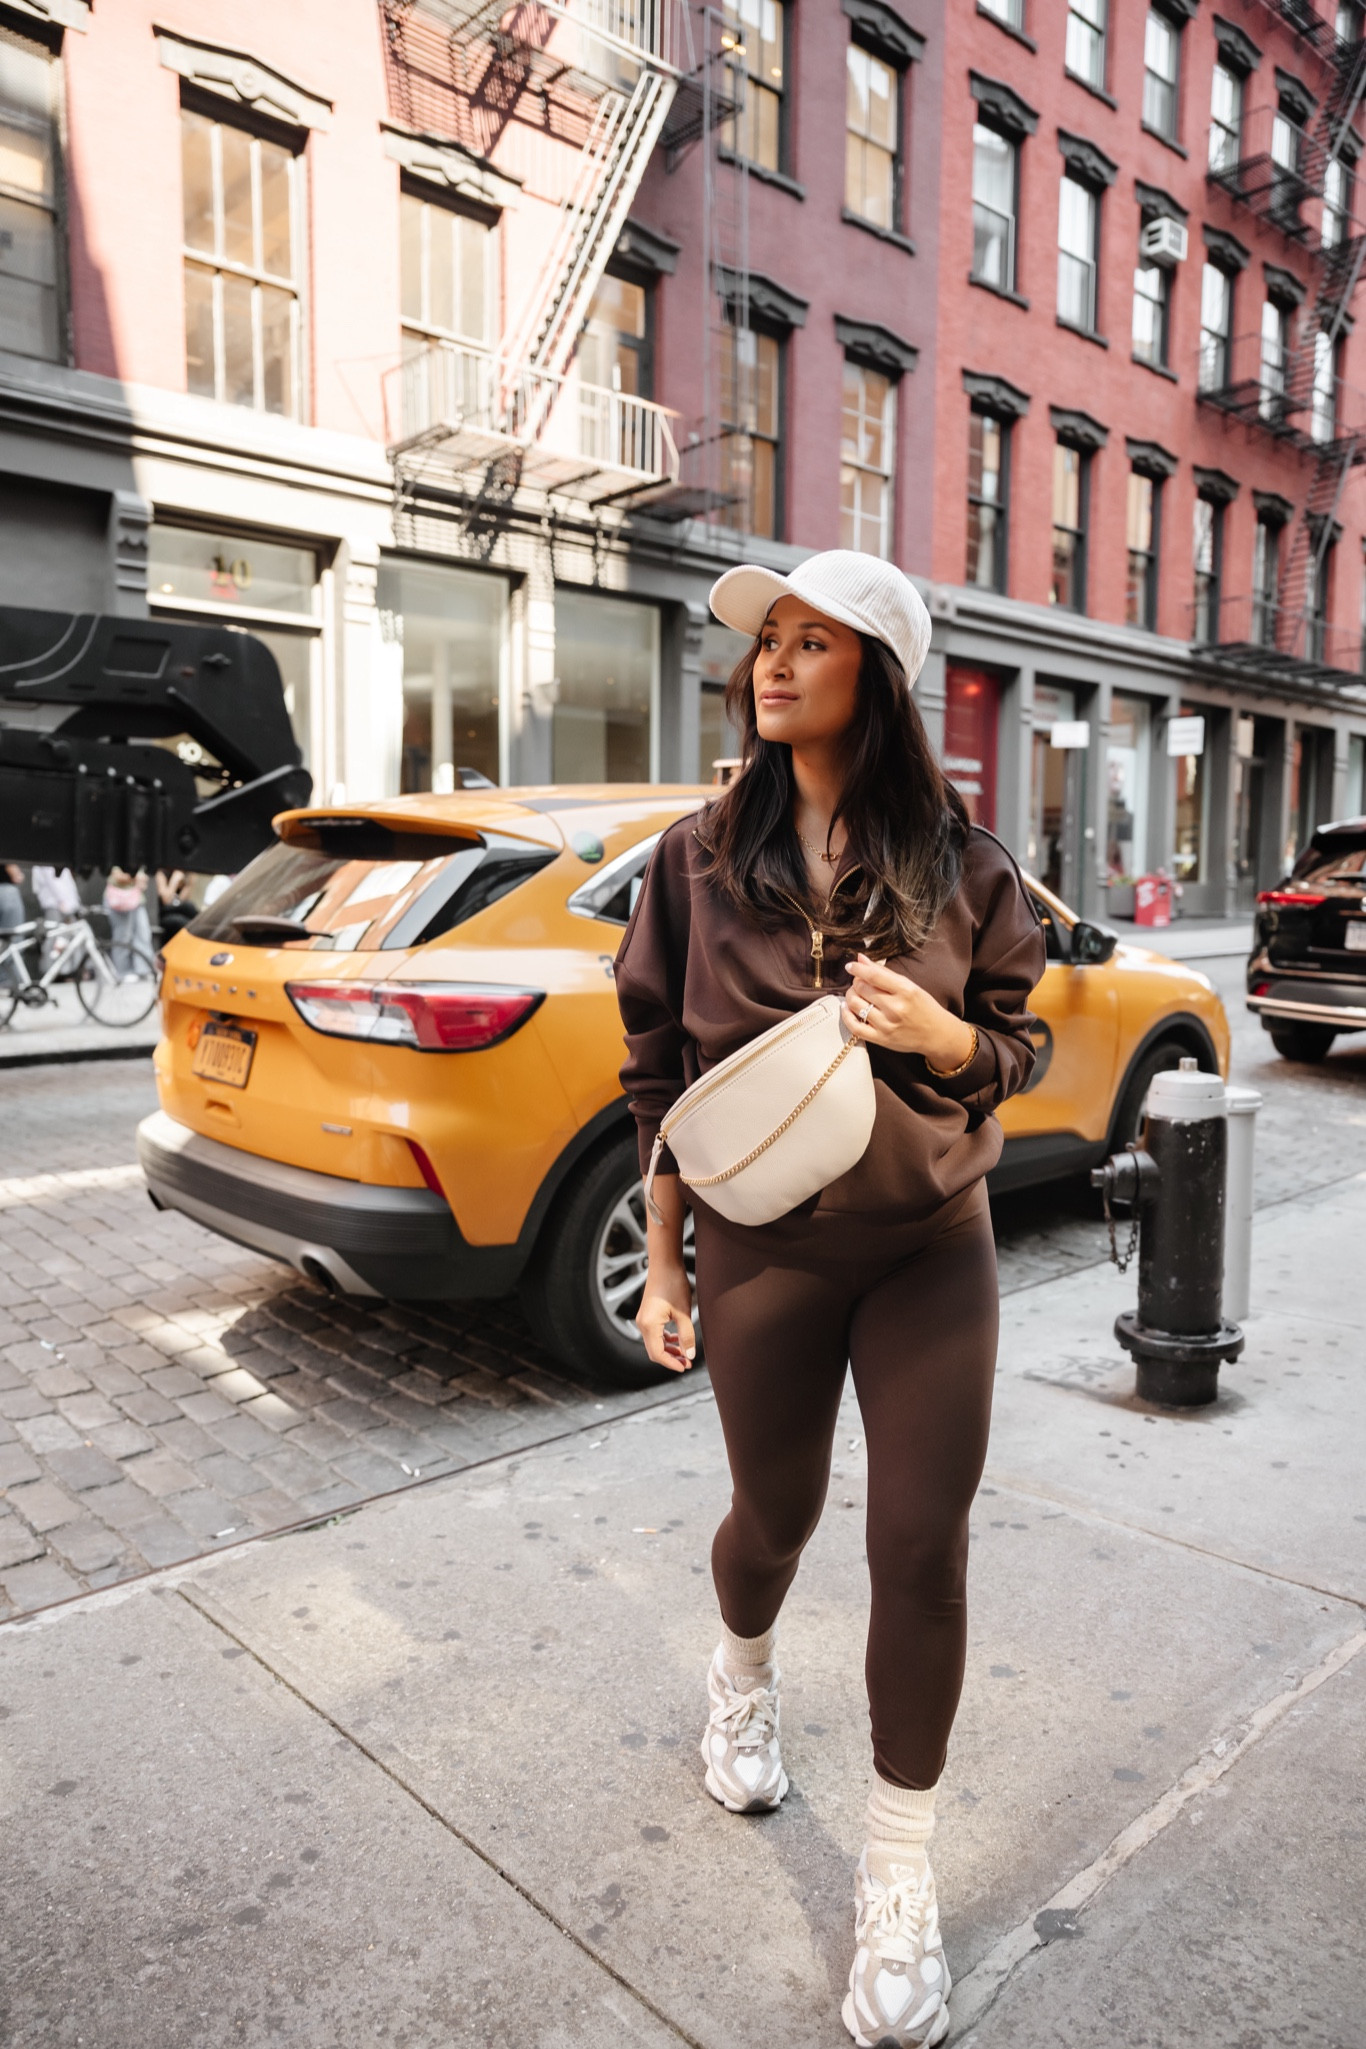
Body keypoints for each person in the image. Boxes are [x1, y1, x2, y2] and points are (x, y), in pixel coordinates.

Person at [614, 551, 1046, 2049]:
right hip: (763, 1247)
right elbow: (657, 1078)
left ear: (879, 673)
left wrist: (942, 1035)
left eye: (813, 640)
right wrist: (663, 1258)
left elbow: (1017, 1048)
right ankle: (740, 1677)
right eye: (766, 641)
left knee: (919, 1548)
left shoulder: (967, 865)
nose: (774, 663)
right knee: (775, 1518)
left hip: (932, 1244)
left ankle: (898, 1875)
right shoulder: (691, 859)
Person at [103, 868, 153, 978]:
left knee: (143, 934)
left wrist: (141, 879)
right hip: (119, 901)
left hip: (137, 900)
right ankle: (122, 972)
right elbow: (117, 876)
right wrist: (136, 878)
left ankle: (144, 970)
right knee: (122, 937)